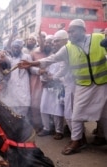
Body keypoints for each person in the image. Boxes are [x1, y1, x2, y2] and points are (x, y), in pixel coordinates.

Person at [19, 19, 107, 155]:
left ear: (82, 30)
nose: (70, 34)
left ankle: (103, 138)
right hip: (84, 86)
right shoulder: (68, 48)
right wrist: (31, 64)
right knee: (76, 115)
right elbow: (50, 59)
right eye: (69, 31)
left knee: (105, 115)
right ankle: (77, 140)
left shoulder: (99, 38)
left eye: (73, 31)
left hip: (103, 84)